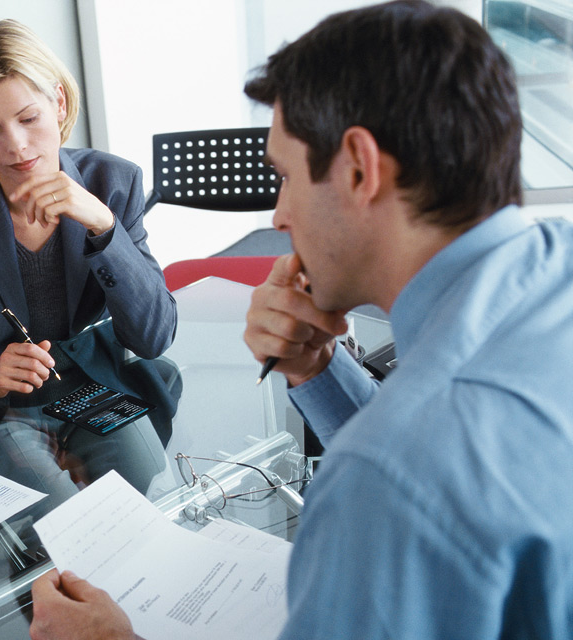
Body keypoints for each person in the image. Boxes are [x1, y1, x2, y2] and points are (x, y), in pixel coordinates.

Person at [29, 2, 573, 638]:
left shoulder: (390, 474)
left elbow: (409, 468)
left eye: (286, 177)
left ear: (361, 167)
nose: (279, 215)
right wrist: (318, 370)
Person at [0, 20, 177, 509]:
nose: (17, 147)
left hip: (94, 389)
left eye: (29, 118)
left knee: (152, 503)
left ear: (59, 103)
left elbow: (153, 336)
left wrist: (104, 228)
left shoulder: (113, 182)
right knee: (57, 523)